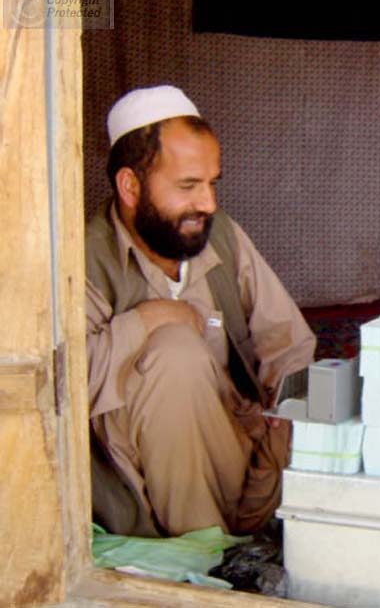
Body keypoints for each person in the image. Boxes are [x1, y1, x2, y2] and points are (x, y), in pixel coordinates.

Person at [85, 85, 316, 537]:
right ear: (130, 186)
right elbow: (59, 384)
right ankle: (203, 553)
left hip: (240, 454)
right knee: (174, 351)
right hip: (139, 490)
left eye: (212, 183)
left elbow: (288, 340)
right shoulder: (84, 260)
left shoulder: (220, 235)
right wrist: (150, 319)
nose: (208, 203)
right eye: (188, 186)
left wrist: (289, 415)